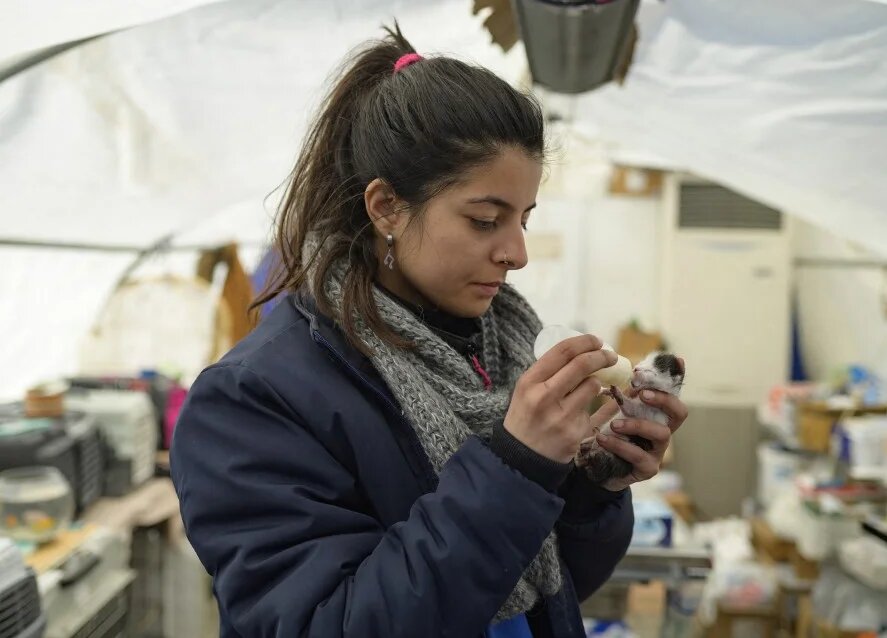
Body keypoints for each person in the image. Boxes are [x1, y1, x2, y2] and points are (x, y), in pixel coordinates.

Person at [170, 24, 688, 638]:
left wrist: (589, 488)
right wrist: (517, 467)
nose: (517, 253)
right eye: (485, 220)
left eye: (523, 219)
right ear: (386, 206)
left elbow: (550, 591)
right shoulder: (254, 400)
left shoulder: (501, 350)